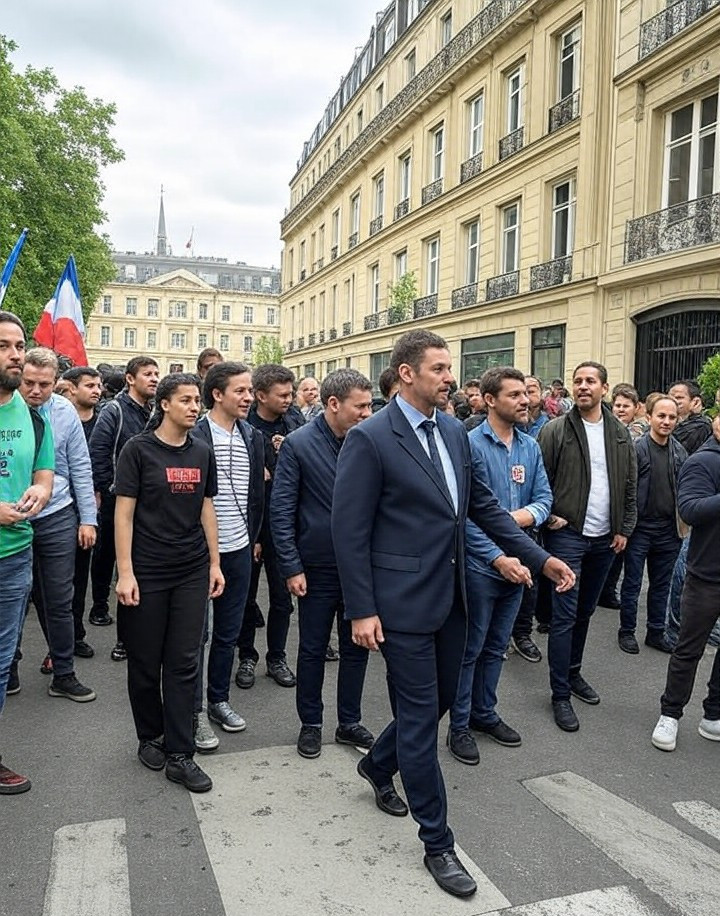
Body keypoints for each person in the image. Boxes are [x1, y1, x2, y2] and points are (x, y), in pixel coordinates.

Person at [332, 330, 574, 898]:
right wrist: (362, 609)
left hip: (454, 597)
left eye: (449, 368)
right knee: (421, 721)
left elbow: (482, 506)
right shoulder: (370, 439)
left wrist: (541, 562)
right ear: (407, 373)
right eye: (439, 368)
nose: (450, 377)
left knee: (440, 701)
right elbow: (349, 531)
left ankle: (376, 764)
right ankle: (438, 843)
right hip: (399, 607)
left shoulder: (452, 432)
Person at [114, 373, 224, 792]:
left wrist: (214, 563)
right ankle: (150, 735)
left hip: (191, 569)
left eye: (197, 400)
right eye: (186, 400)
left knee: (183, 661)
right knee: (145, 661)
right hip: (146, 570)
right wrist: (125, 572)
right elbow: (123, 514)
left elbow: (205, 508)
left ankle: (181, 753)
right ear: (164, 404)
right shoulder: (138, 451)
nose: (195, 407)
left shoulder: (201, 451)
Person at [447, 367, 553, 765]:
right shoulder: (470, 445)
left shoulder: (530, 446)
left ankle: (484, 714)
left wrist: (514, 524)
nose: (525, 401)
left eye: (526, 394)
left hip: (520, 562)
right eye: (514, 395)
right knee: (470, 650)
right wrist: (498, 554)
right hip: (480, 566)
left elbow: (544, 499)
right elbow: (465, 516)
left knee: (496, 648)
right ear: (490, 400)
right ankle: (458, 726)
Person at [271, 369, 374, 760]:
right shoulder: (299, 444)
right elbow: (282, 511)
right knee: (312, 649)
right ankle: (310, 724)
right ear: (333, 404)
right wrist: (292, 566)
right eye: (360, 406)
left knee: (357, 647)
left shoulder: (370, 442)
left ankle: (349, 722)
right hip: (315, 568)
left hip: (361, 570)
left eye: (369, 405)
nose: (368, 413)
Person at [538, 361, 637, 732]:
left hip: (605, 539)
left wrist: (624, 528)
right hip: (568, 536)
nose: (582, 386)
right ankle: (559, 694)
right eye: (577, 381)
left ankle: (573, 674)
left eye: (590, 381)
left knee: (584, 613)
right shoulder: (554, 430)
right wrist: (549, 517)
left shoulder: (620, 433)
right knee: (564, 616)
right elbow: (539, 480)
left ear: (604, 388)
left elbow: (629, 486)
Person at [190, 362, 264, 754]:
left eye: (250, 390)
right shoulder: (195, 434)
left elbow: (256, 494)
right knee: (196, 635)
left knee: (229, 632)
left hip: (240, 550)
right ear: (217, 394)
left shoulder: (251, 435)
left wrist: (253, 538)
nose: (248, 397)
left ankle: (218, 700)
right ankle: (194, 710)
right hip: (201, 553)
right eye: (241, 391)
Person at [16, 349, 96, 701]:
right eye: (28, 383)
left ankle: (64, 672)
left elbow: (80, 466)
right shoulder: (7, 410)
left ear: (56, 384)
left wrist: (88, 520)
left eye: (44, 385)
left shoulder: (64, 413)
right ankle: (9, 669)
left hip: (58, 515)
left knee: (60, 598)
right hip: (12, 517)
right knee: (14, 597)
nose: (35, 391)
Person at [0, 311, 54, 794]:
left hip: (15, 555)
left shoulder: (33, 416)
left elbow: (44, 473)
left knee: (0, 662)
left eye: (19, 345)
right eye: (4, 346)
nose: (15, 354)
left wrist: (39, 493)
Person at [651, 415, 720, 752]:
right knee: (688, 648)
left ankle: (714, 715)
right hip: (707, 575)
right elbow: (690, 509)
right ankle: (670, 714)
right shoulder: (703, 461)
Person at [236, 364, 304, 690]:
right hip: (250, 527)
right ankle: (246, 656)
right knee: (245, 598)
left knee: (281, 598)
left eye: (291, 393)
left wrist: (286, 451)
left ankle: (276, 657)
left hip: (284, 527)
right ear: (261, 395)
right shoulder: (242, 427)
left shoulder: (295, 424)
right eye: (283, 395)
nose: (289, 400)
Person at [89, 356, 159, 661]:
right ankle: (101, 605)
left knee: (135, 565)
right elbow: (99, 451)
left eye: (157, 374)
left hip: (148, 502)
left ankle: (129, 635)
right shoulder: (114, 410)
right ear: (130, 379)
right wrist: (106, 489)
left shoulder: (155, 411)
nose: (154, 378)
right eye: (148, 374)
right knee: (109, 555)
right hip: (117, 496)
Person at [618, 397, 686, 655]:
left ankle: (656, 632)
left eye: (672, 417)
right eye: (661, 416)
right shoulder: (636, 449)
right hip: (640, 529)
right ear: (649, 417)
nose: (666, 421)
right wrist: (623, 527)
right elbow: (625, 489)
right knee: (632, 583)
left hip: (669, 531)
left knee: (661, 585)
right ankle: (626, 632)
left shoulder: (679, 451)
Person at [62, 366, 103, 655]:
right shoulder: (58, 420)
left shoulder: (103, 421)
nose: (97, 391)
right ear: (71, 388)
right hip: (58, 509)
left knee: (78, 577)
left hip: (88, 510)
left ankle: (74, 635)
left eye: (99, 385)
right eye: (89, 385)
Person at [669, 379, 713, 455]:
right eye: (669, 398)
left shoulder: (701, 427)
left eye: (679, 397)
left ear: (695, 402)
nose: (672, 401)